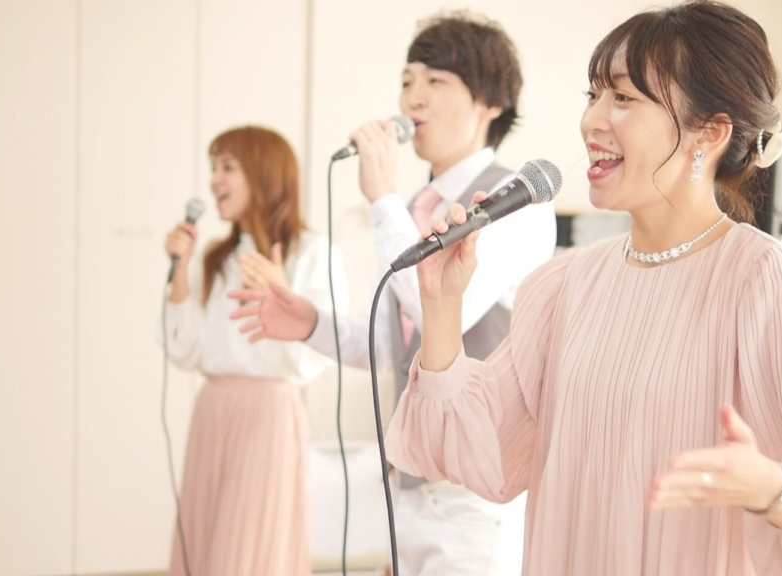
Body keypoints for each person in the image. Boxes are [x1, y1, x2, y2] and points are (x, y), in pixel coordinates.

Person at [379, 1, 782, 574]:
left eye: (623, 98)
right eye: (593, 95)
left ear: (709, 133)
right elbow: (478, 451)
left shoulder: (761, 279)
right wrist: (442, 305)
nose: (592, 121)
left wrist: (771, 487)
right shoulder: (564, 285)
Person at [230, 11, 556, 576]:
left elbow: (444, 308)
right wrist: (309, 322)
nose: (412, 98)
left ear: (491, 103)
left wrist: (381, 196)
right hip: (409, 482)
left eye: (436, 81)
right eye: (407, 81)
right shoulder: (409, 212)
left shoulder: (514, 200)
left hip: (477, 493)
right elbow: (391, 345)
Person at [160, 126, 348, 576]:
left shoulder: (312, 252)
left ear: (264, 173)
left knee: (246, 554)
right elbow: (184, 350)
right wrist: (180, 270)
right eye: (213, 168)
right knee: (206, 545)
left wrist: (284, 299)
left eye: (228, 167)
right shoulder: (215, 258)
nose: (214, 181)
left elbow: (319, 357)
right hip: (213, 410)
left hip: (267, 415)